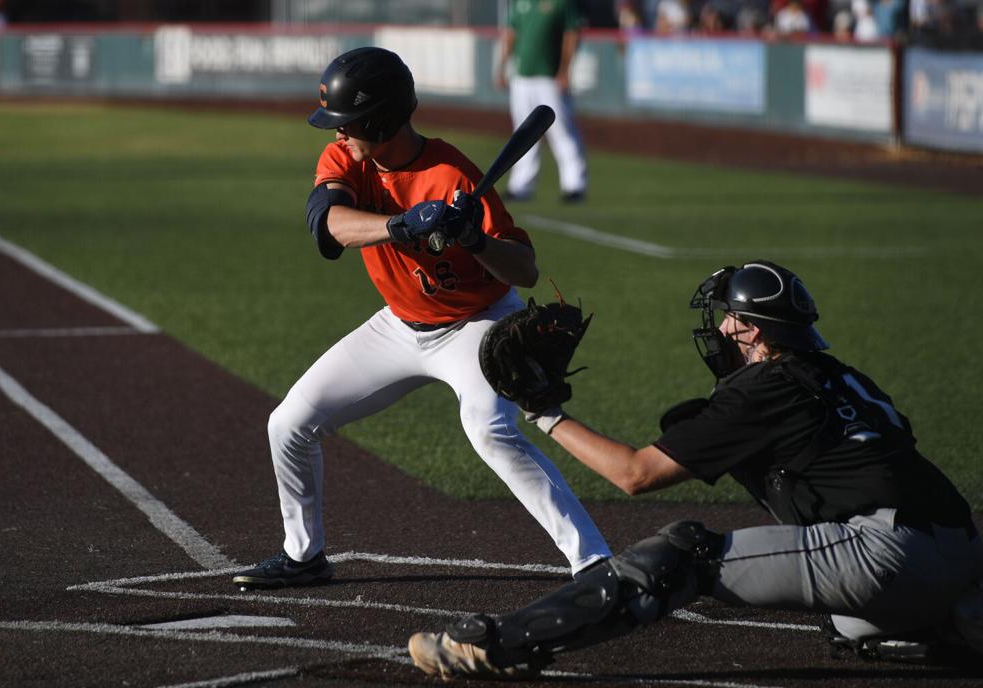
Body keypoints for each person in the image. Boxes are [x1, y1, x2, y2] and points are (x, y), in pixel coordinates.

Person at [410, 261, 983, 678]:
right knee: (849, 623)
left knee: (685, 554)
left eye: (728, 320)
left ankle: (495, 645)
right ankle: (955, 623)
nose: (719, 331)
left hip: (885, 554)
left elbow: (635, 474)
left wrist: (545, 414)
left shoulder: (764, 390)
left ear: (754, 330)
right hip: (960, 547)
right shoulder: (844, 377)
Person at [231, 47, 611, 590]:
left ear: (380, 120)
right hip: (400, 324)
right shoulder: (345, 159)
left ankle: (594, 562)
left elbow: (524, 270)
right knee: (288, 424)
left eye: (347, 124)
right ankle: (304, 556)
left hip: (477, 324)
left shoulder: (451, 172)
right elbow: (329, 226)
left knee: (489, 430)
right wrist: (401, 225)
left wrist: (475, 239)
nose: (338, 135)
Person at [495, 0, 588, 203]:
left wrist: (565, 70)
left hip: (549, 75)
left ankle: (574, 184)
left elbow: (571, 34)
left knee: (562, 131)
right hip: (523, 76)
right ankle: (521, 185)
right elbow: (511, 34)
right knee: (523, 133)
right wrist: (502, 66)